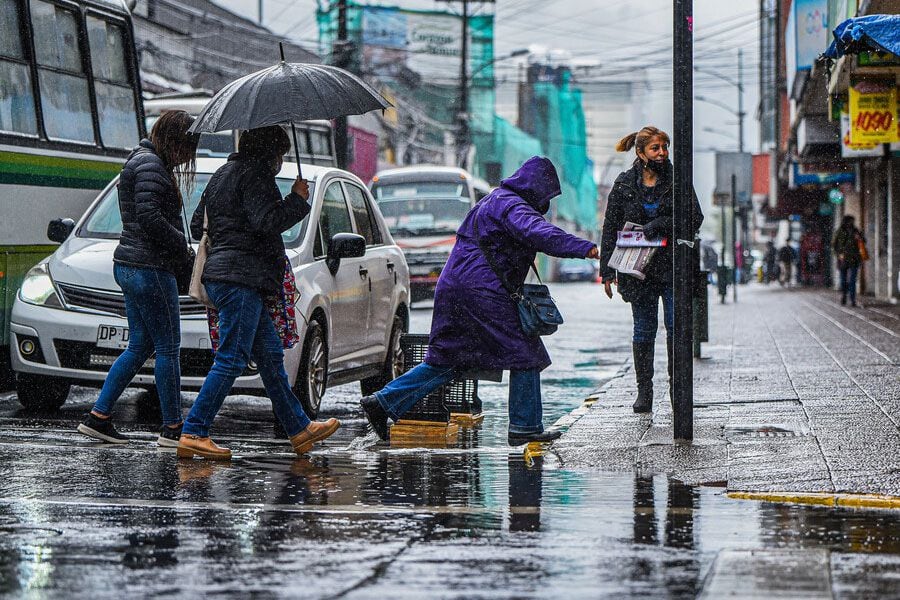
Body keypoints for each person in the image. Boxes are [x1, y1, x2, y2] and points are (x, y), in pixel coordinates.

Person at [358, 157, 598, 446]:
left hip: (455, 288)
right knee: (526, 353)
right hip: (481, 291)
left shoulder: (494, 200)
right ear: (537, 188)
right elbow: (540, 233)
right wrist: (587, 248)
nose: (545, 203)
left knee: (449, 358)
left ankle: (382, 402)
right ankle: (525, 426)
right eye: (547, 195)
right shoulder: (512, 206)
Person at [178, 126, 340, 460]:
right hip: (240, 279)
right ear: (270, 153)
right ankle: (194, 430)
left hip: (225, 276)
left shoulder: (223, 174)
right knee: (232, 358)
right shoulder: (256, 175)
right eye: (280, 154)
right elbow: (266, 221)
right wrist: (297, 199)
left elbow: (198, 225)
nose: (281, 161)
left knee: (269, 357)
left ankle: (299, 428)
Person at [77, 110, 198, 446]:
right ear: (175, 141)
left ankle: (98, 416)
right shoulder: (151, 166)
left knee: (140, 345)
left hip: (131, 265)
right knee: (168, 349)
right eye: (188, 147)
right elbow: (149, 216)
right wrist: (181, 245)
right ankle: (173, 428)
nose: (188, 156)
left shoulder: (142, 161)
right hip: (150, 268)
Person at [598, 126, 703, 414]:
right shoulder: (623, 184)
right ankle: (645, 392)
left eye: (664, 147)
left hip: (671, 268)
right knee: (643, 330)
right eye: (656, 148)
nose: (662, 153)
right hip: (636, 270)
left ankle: (676, 390)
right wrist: (607, 272)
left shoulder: (678, 179)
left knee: (675, 328)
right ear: (641, 152)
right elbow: (610, 228)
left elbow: (695, 217)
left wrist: (660, 225)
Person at [833, 215, 864, 306]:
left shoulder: (856, 231)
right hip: (843, 259)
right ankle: (844, 295)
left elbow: (863, 242)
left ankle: (852, 299)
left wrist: (859, 238)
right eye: (850, 221)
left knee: (852, 280)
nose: (852, 223)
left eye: (852, 221)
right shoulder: (839, 232)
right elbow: (834, 245)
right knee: (843, 280)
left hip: (854, 259)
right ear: (846, 221)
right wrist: (838, 255)